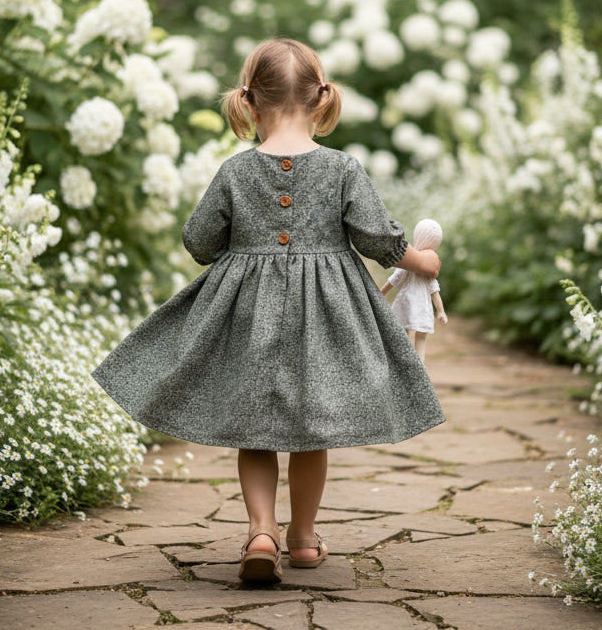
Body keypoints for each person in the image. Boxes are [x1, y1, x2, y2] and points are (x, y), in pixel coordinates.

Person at [92, 38, 444, 584]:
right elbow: (376, 237)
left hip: (246, 315)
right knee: (312, 430)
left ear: (249, 102)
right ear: (321, 99)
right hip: (327, 317)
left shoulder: (235, 173)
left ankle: (261, 532)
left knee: (253, 429)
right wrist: (421, 259)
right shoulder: (342, 168)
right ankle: (303, 540)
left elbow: (200, 242)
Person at [380, 218, 448, 363]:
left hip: (408, 302)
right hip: (423, 306)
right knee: (417, 337)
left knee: (406, 335)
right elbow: (434, 292)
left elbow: (394, 280)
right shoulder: (429, 265)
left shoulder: (414, 262)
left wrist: (381, 293)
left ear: (419, 237)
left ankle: (407, 364)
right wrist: (440, 311)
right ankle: (416, 366)